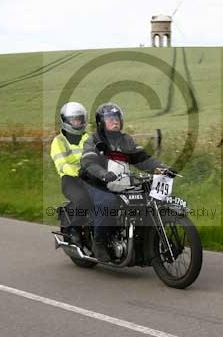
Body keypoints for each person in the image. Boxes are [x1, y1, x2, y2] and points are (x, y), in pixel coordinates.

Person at [80, 102, 174, 261]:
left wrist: (163, 168)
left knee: (145, 200)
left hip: (120, 183)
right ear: (101, 122)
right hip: (95, 182)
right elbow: (88, 163)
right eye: (110, 119)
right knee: (108, 202)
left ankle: (142, 244)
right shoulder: (94, 140)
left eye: (117, 118)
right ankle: (99, 242)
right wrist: (103, 174)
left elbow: (143, 159)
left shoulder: (126, 140)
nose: (115, 121)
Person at [50, 102, 93, 246]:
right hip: (71, 180)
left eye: (80, 119)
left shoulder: (90, 138)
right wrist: (78, 171)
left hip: (92, 178)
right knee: (83, 200)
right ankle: (73, 229)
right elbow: (62, 164)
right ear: (66, 121)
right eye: (74, 120)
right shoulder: (59, 141)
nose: (77, 123)